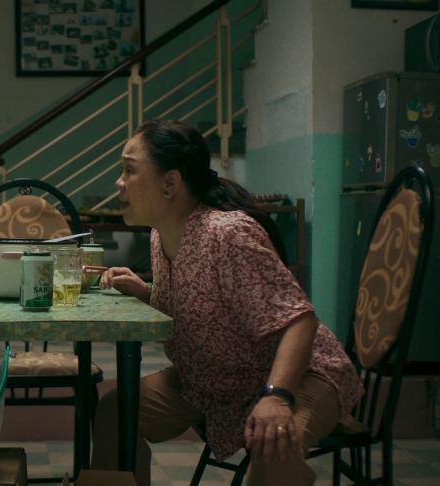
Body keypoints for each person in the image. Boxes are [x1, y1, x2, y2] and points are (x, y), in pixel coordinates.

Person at [89, 119, 364, 486]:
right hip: (215, 381)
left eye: (129, 170)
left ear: (170, 183)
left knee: (273, 448)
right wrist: (147, 292)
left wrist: (276, 397)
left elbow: (300, 322)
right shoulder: (161, 234)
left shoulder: (228, 234)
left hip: (295, 376)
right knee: (116, 411)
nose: (119, 182)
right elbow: (207, 306)